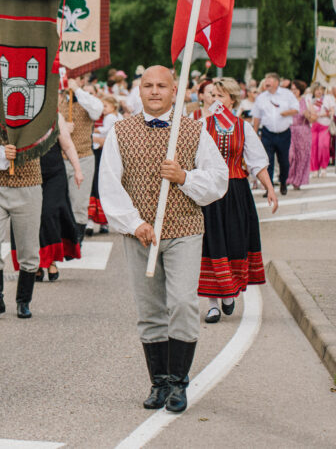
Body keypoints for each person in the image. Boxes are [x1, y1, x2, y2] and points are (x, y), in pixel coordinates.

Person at [99, 65, 228, 414]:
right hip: (140, 234)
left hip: (184, 229)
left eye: (161, 86)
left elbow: (219, 179)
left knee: (183, 303)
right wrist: (134, 222)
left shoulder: (193, 131)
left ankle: (179, 382)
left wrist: (184, 176)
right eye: (148, 86)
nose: (154, 91)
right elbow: (109, 184)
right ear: (139, 91)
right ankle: (159, 381)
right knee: (150, 308)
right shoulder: (120, 132)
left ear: (175, 91)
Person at [196, 78, 277, 324]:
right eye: (212, 95)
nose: (215, 100)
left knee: (234, 242)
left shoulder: (243, 127)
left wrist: (270, 189)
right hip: (210, 193)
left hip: (235, 192)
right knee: (211, 244)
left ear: (232, 99)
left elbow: (257, 162)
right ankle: (212, 304)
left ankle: (229, 292)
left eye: (220, 95)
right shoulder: (201, 125)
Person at [0, 106, 43, 320]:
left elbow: (45, 137)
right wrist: (2, 154)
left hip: (28, 184)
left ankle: (23, 301)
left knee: (28, 247)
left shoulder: (38, 106)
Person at [30, 112, 83, 281]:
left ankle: (52, 260)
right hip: (29, 175)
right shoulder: (22, 113)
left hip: (54, 173)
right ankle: (37, 260)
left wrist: (77, 169)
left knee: (49, 212)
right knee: (33, 217)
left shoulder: (54, 115)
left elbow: (67, 145)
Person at [56, 75, 104, 239]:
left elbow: (97, 111)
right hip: (59, 159)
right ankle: (62, 236)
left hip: (83, 156)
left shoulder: (88, 100)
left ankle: (76, 239)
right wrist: (61, 129)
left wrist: (76, 90)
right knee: (60, 201)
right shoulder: (58, 100)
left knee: (79, 203)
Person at [251, 72, 298, 196]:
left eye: (269, 80)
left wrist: (285, 113)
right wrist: (255, 134)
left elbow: (296, 109)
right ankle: (269, 188)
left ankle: (283, 182)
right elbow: (256, 116)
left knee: (283, 161)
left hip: (283, 133)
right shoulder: (261, 97)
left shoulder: (287, 94)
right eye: (266, 80)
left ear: (276, 82)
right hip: (268, 133)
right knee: (268, 161)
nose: (266, 82)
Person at [88, 94, 121, 233]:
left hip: (103, 153)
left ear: (113, 106)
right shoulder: (108, 117)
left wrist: (93, 134)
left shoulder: (111, 118)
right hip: (100, 153)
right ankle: (99, 221)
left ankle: (99, 221)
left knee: (100, 185)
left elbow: (107, 132)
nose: (103, 109)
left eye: (105, 106)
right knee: (98, 185)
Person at [286, 81, 314, 190]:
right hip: (289, 130)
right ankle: (288, 178)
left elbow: (313, 118)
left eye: (295, 89)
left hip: (303, 132)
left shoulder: (306, 101)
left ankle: (297, 181)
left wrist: (308, 115)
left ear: (300, 90)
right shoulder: (287, 101)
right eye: (292, 89)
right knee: (290, 155)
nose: (293, 91)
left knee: (301, 158)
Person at [309, 82, 336, 176]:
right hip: (313, 125)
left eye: (321, 89)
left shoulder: (328, 98)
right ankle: (314, 169)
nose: (319, 92)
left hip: (324, 125)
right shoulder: (310, 99)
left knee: (323, 145)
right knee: (313, 147)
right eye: (317, 90)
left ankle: (323, 167)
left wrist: (323, 114)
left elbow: (332, 111)